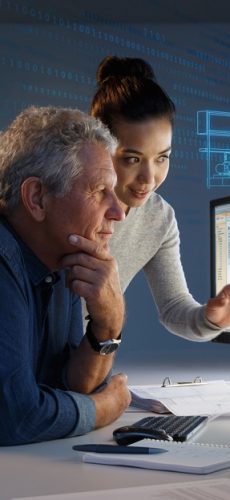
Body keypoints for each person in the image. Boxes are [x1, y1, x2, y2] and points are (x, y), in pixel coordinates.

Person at [90, 56, 230, 341]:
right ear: (99, 147)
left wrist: (211, 318)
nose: (149, 179)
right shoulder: (67, 205)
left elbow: (173, 307)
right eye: (132, 159)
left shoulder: (158, 217)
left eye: (162, 158)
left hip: (89, 355)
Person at [0, 106, 131, 445]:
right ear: (37, 198)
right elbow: (15, 416)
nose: (119, 212)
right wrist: (106, 406)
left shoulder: (64, 259)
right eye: (100, 190)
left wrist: (108, 324)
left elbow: (70, 385)